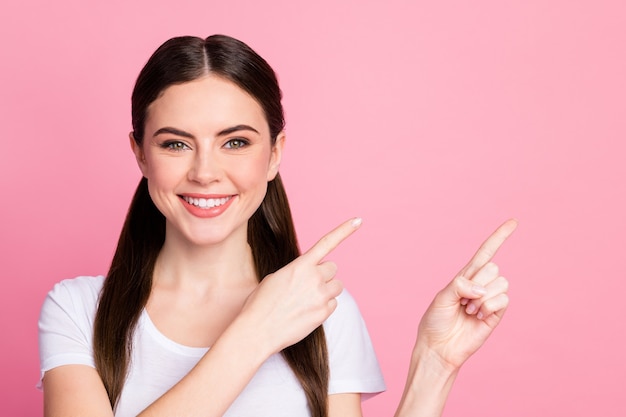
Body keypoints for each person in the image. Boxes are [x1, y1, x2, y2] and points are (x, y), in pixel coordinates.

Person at [38, 34, 517, 417]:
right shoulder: (78, 311)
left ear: (275, 155)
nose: (205, 172)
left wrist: (435, 363)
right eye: (176, 144)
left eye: (236, 143)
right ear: (140, 153)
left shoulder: (320, 310)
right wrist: (254, 333)